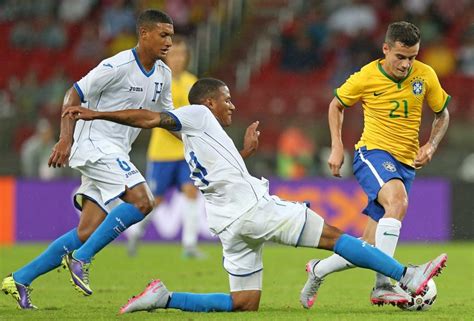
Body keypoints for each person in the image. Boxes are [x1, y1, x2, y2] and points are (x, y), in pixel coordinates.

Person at [62, 78, 447, 313]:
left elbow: (220, 172)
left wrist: (243, 152)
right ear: (208, 101)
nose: (232, 104)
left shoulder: (203, 136)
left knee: (245, 302)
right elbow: (149, 118)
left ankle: (164, 298)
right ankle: (406, 275)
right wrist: (96, 114)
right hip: (254, 211)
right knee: (335, 237)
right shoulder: (196, 115)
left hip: (229, 225)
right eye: (226, 98)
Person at [1, 9, 176, 310]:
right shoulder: (117, 65)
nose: (169, 42)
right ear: (144, 34)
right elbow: (74, 94)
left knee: (87, 231)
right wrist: (66, 137)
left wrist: (202, 143)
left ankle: (19, 278)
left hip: (116, 151)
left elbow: (168, 120)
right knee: (143, 201)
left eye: (171, 36)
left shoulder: (163, 74)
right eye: (163, 35)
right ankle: (82, 259)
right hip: (95, 144)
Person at [306, 21, 451, 307]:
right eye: (400, 57)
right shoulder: (366, 77)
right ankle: (383, 285)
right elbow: (336, 105)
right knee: (397, 202)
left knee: (369, 245)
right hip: (372, 153)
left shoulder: (426, 75)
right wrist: (336, 146)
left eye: (412, 57)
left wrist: (431, 145)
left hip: (405, 163)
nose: (406, 65)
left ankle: (317, 269)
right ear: (386, 49)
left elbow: (442, 114)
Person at [127, 35, 203, 258]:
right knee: (154, 200)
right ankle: (135, 233)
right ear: (166, 55)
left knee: (191, 191)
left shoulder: (192, 82)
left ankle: (189, 246)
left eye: (182, 54)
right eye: (174, 54)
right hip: (161, 153)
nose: (178, 58)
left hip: (185, 152)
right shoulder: (158, 80)